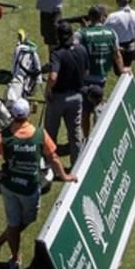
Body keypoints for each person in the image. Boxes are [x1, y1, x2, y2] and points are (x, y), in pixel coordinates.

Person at [0, 97, 74, 269]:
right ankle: (14, 258)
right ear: (28, 114)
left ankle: (0, 244)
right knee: (24, 221)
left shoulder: (3, 135)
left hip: (9, 187)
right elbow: (53, 158)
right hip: (29, 189)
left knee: (14, 223)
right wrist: (64, 176)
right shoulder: (40, 134)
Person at [44, 18, 88, 168]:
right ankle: (77, 166)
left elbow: (53, 76)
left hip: (58, 98)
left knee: (50, 134)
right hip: (76, 97)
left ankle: (49, 167)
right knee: (75, 133)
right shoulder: (82, 49)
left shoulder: (57, 54)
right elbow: (86, 71)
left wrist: (47, 90)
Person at [76, 4, 123, 138]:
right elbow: (117, 55)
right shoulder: (111, 33)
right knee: (97, 106)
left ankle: (86, 137)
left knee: (85, 111)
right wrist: (122, 72)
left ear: (90, 17)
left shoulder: (81, 33)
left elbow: (74, 50)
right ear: (102, 18)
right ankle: (97, 136)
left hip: (85, 79)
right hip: (101, 78)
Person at [106, 0, 135, 71]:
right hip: (130, 49)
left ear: (117, 1)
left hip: (117, 49)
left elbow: (105, 33)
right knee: (126, 71)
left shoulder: (113, 17)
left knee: (118, 71)